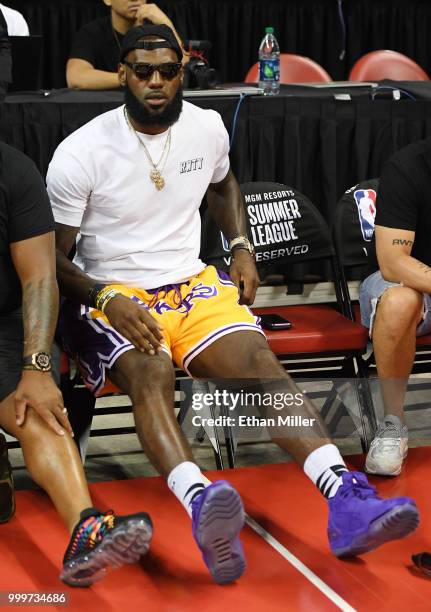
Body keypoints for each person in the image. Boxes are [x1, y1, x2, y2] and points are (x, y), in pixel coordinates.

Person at [50, 24, 420, 585]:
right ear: (122, 73)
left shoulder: (207, 126)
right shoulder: (80, 152)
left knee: (263, 370)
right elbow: (49, 261)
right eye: (142, 71)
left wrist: (241, 245)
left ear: (182, 72)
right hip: (113, 293)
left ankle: (346, 501)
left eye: (167, 71)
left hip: (192, 285)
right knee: (151, 375)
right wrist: (103, 296)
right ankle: (202, 504)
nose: (155, 82)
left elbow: (223, 185)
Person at [0, 142, 152, 587]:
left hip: (6, 322)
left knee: (38, 408)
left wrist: (36, 368)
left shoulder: (14, 169)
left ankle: (85, 528)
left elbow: (41, 277)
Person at [359, 138, 431, 476]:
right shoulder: (408, 166)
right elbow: (392, 263)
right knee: (400, 301)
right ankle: (393, 426)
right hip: (409, 281)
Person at [67, 0, 186, 90]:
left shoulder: (157, 31)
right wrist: (130, 78)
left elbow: (184, 68)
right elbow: (76, 77)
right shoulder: (92, 33)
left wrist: (166, 24)